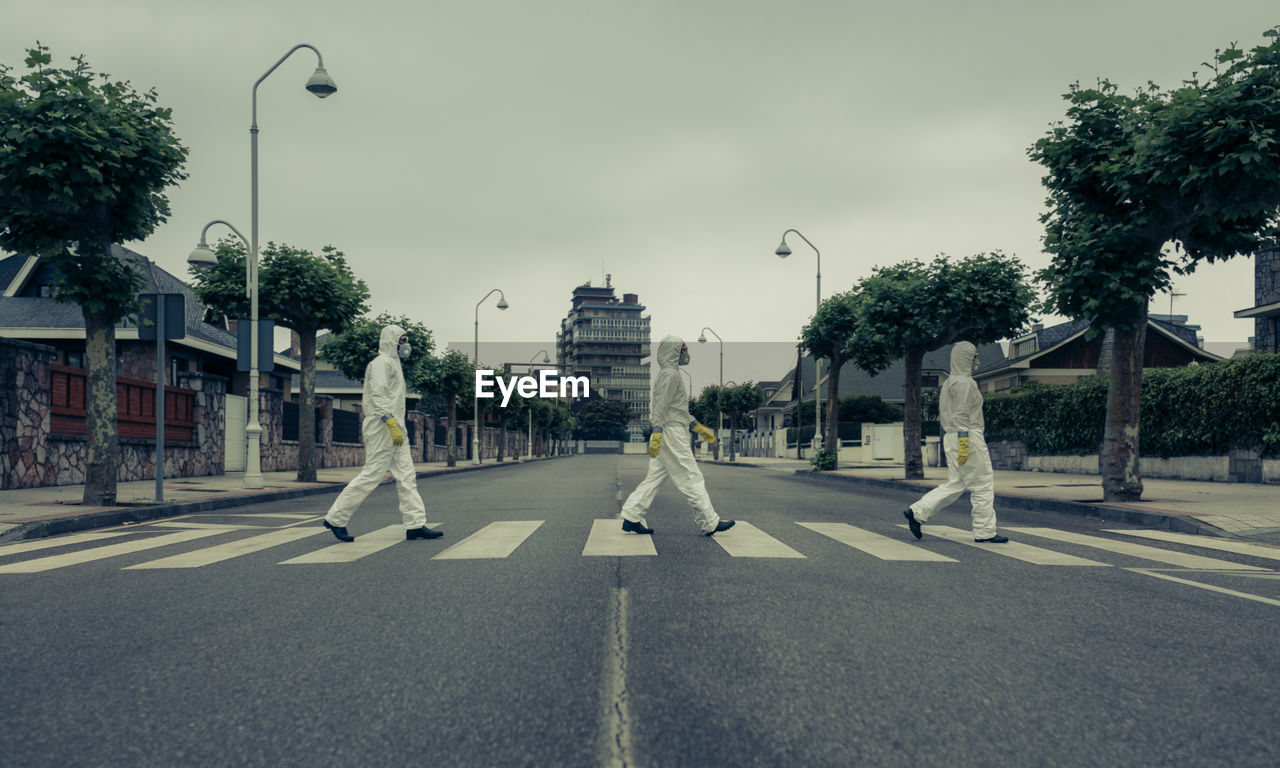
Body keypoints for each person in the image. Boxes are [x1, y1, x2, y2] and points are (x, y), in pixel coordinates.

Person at [322, 324, 443, 543]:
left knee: (407, 476)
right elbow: (377, 397)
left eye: (405, 339)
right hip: (382, 427)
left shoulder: (394, 364)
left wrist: (397, 426)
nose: (405, 344)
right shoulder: (380, 364)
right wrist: (390, 423)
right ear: (390, 340)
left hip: (396, 428)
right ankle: (336, 518)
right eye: (401, 339)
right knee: (372, 475)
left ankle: (415, 524)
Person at [620, 335, 735, 536]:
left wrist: (698, 427)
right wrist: (657, 431)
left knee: (654, 478)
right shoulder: (670, 375)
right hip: (671, 433)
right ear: (674, 351)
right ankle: (710, 522)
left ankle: (631, 516)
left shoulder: (670, 374)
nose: (685, 354)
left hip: (670, 430)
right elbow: (661, 407)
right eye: (682, 350)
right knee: (692, 476)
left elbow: (678, 410)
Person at [902, 341, 1008, 543]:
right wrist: (965, 442)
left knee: (957, 483)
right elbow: (961, 414)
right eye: (974, 356)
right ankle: (985, 532)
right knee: (983, 484)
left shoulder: (949, 383)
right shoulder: (965, 383)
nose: (976, 360)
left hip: (951, 437)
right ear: (967, 358)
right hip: (967, 436)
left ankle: (917, 512)